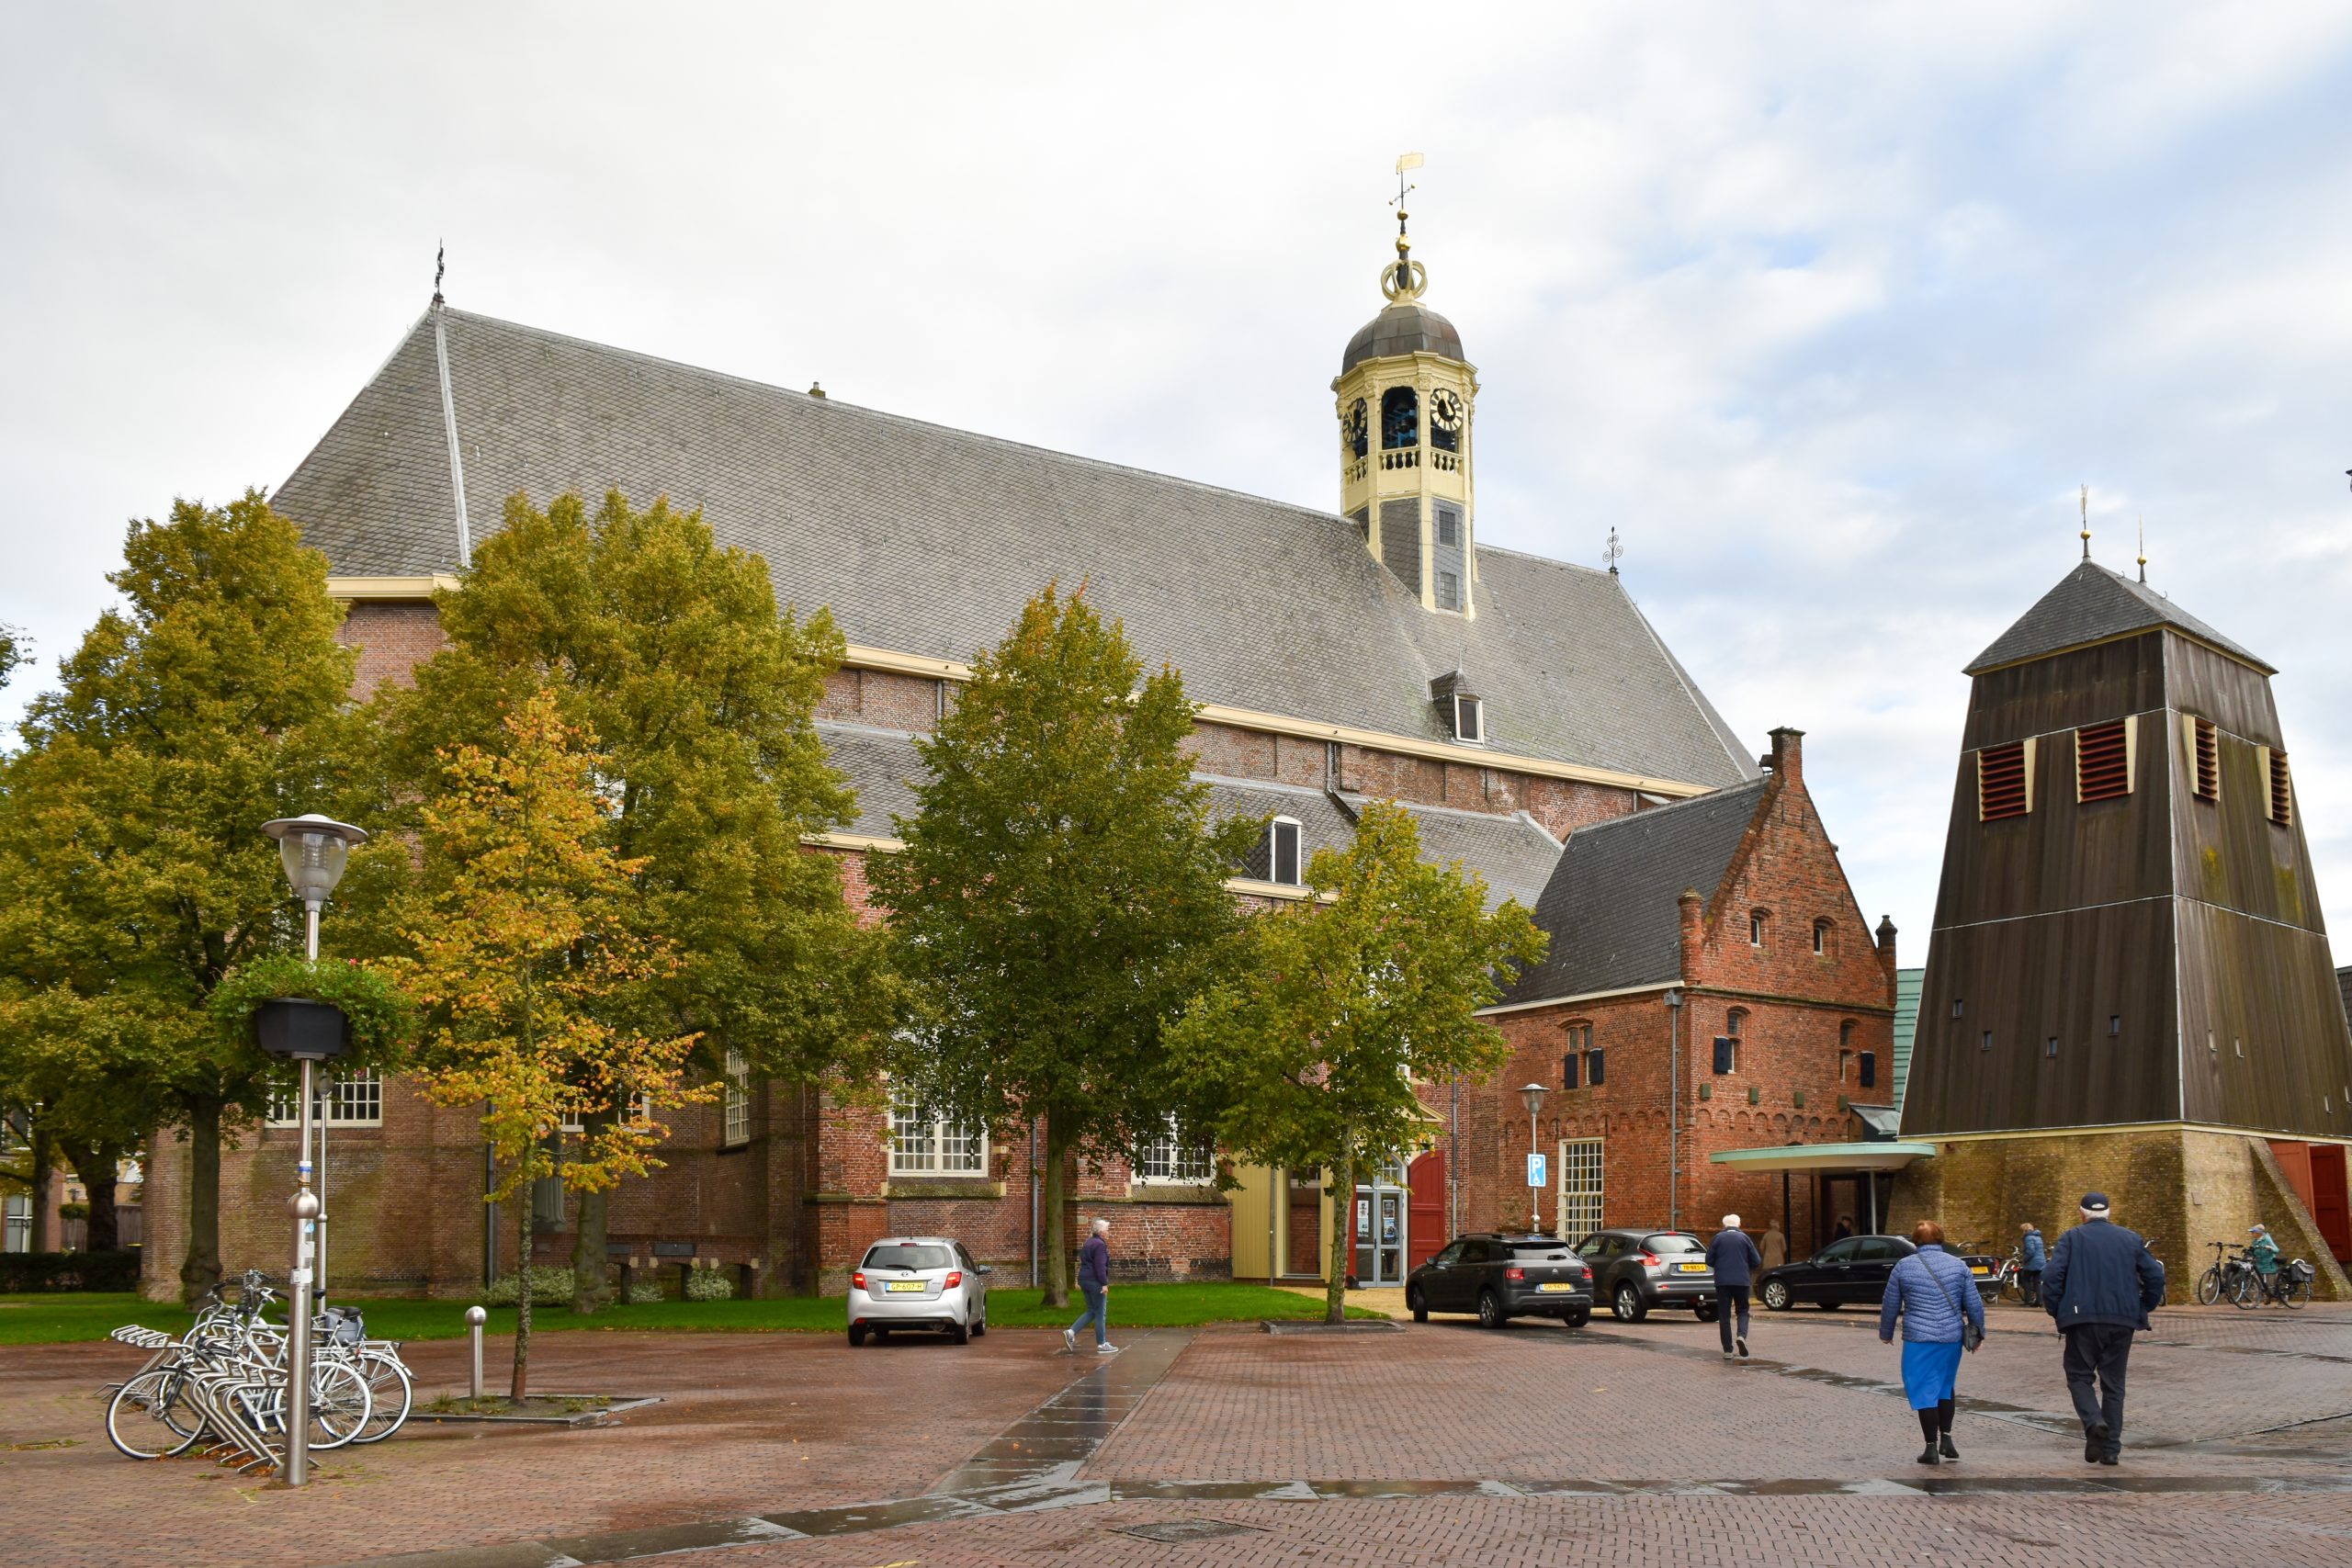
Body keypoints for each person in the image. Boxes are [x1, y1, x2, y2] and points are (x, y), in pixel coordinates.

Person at [2041, 1191, 2165, 1465]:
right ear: (2109, 1212)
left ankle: (2093, 1421)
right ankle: (2111, 1449)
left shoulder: (2072, 1238)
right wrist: (2144, 1305)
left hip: (2081, 1318)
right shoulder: (2131, 1238)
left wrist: (2056, 1309)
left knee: (2079, 1376)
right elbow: (2155, 1274)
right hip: (2122, 1319)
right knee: (2114, 1384)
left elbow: (2051, 1276)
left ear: (2082, 1213)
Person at [1878, 1219, 1985, 1465]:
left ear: (1915, 1240)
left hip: (1919, 1338)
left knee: (1923, 1388)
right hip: (1951, 1337)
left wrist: (1886, 1332)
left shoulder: (1904, 1267)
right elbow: (1974, 1304)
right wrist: (1978, 1334)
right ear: (1941, 1239)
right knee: (1945, 1385)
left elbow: (1890, 1303)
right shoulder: (1958, 1266)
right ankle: (1947, 1438)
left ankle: (1931, 1448)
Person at [1707, 1213, 1763, 1360]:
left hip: (1722, 1282)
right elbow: (1756, 1260)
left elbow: (1709, 1260)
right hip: (1742, 1281)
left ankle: (1727, 1350)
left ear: (1724, 1225)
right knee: (1743, 1311)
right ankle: (1741, 1336)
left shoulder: (1718, 1238)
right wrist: (1744, 1266)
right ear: (1739, 1224)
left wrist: (1721, 1265)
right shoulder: (1745, 1238)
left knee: (1724, 1315)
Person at [1062, 1217, 1119, 1356]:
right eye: (1106, 1230)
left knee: (1092, 1310)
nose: (1108, 1232)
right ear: (1100, 1231)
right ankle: (1102, 1344)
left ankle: (1071, 1332)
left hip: (1084, 1279)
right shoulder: (1100, 1245)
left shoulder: (1088, 1242)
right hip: (1095, 1281)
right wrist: (1104, 1283)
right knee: (1100, 1313)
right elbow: (1100, 1266)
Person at [2019, 1222, 2046, 1307]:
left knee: (2025, 1280)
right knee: (2037, 1282)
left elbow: (2030, 1251)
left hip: (2032, 1263)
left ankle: (2028, 1300)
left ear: (2025, 1230)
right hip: (2041, 1262)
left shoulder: (2028, 1238)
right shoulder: (2038, 1237)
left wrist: (2024, 1260)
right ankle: (2039, 1301)